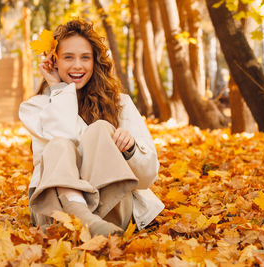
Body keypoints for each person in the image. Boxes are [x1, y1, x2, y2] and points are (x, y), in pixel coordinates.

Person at [19, 19, 164, 237]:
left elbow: (148, 177)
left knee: (100, 130)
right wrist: (58, 89)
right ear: (54, 62)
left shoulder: (121, 104)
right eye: (68, 57)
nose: (78, 66)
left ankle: (86, 222)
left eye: (85, 58)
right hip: (56, 214)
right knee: (59, 144)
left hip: (112, 207)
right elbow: (68, 137)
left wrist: (131, 150)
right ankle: (85, 219)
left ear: (95, 62)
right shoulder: (37, 108)